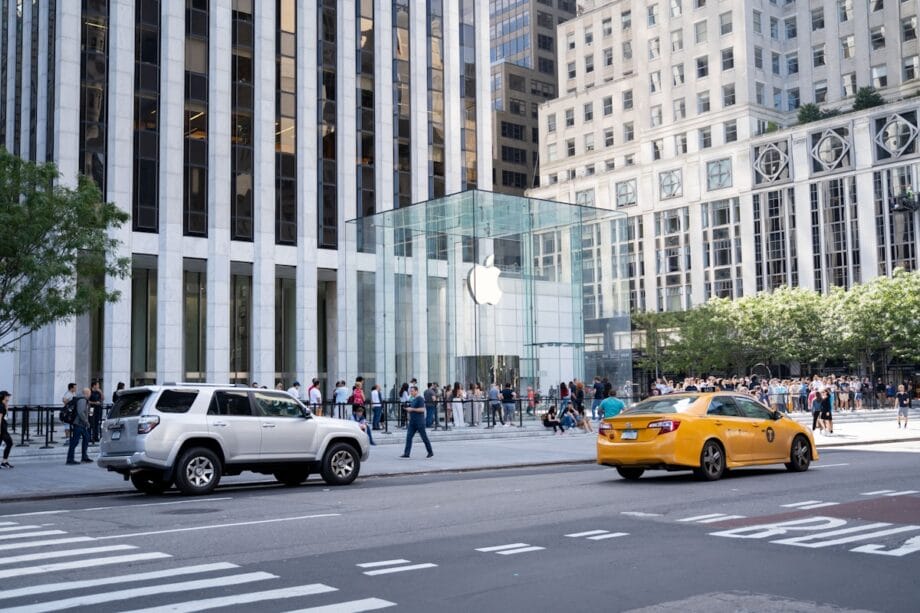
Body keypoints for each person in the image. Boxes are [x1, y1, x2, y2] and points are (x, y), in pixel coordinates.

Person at [401, 386, 433, 458]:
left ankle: (430, 452)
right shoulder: (413, 399)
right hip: (412, 422)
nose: (411, 392)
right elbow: (412, 409)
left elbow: (422, 409)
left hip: (419, 422)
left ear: (416, 391)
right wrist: (408, 410)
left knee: (424, 437)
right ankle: (406, 453)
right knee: (409, 437)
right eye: (410, 391)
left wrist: (412, 409)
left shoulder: (420, 399)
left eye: (412, 391)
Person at [67, 387, 93, 465]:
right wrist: (86, 421)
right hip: (78, 424)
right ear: (87, 393)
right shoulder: (82, 400)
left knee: (86, 438)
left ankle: (84, 457)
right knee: (75, 441)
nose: (90, 395)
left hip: (80, 424)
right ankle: (70, 459)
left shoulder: (82, 399)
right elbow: (81, 412)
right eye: (89, 393)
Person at [0, 391, 13, 468]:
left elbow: (6, 416)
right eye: (7, 396)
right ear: (3, 396)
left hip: (4, 428)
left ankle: (4, 462)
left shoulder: (4, 405)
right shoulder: (1, 406)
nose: (8, 397)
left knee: (9, 443)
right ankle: (4, 462)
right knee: (9, 443)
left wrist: (6, 405)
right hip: (2, 429)